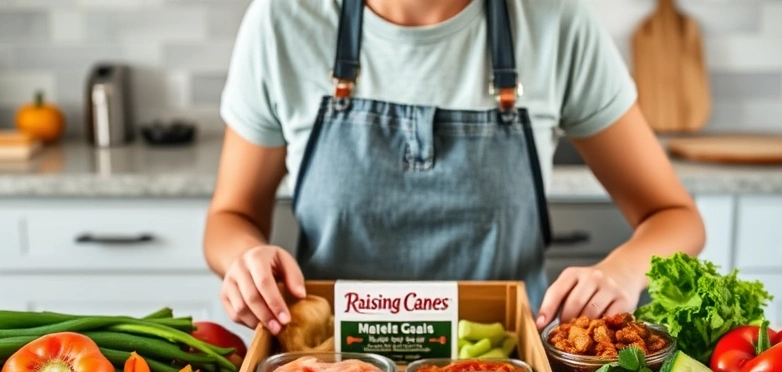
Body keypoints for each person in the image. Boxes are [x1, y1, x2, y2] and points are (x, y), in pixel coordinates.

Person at [204, 0, 705, 336]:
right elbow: (230, 217)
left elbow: (675, 215)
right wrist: (246, 259)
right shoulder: (283, 19)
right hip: (321, 369)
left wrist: (621, 272)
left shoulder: (553, 19)